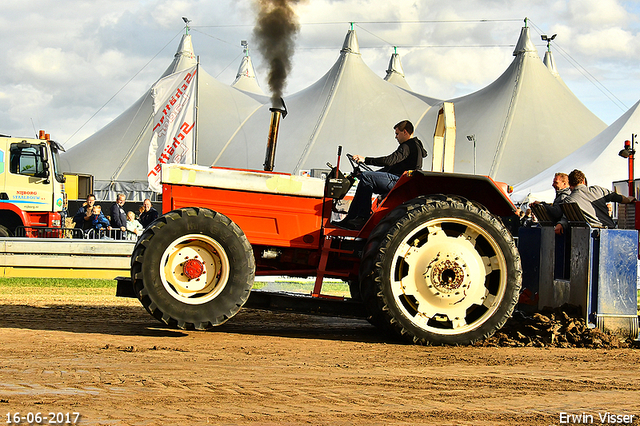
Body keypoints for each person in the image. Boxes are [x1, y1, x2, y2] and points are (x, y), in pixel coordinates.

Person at [334, 120, 427, 230]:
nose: (396, 137)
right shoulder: (413, 147)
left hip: (399, 182)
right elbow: (391, 167)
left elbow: (389, 160)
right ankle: (350, 218)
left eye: (397, 134)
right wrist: (371, 173)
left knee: (367, 177)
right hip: (399, 180)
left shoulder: (408, 146)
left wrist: (366, 160)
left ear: (405, 132)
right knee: (366, 176)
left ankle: (362, 217)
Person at [556, 169, 636, 233]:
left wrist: (560, 224)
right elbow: (617, 198)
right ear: (583, 181)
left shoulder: (568, 200)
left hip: (588, 235)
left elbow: (566, 218)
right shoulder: (597, 190)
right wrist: (629, 199)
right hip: (609, 231)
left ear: (569, 183)